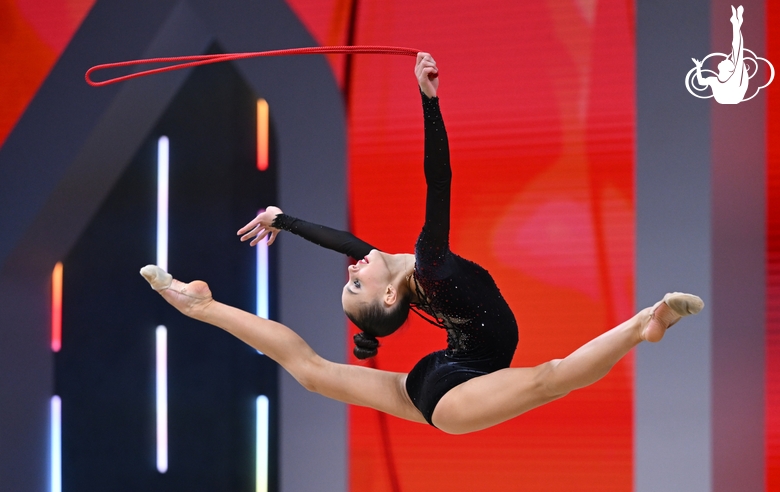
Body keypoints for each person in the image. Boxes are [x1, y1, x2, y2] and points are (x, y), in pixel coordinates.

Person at [141, 53, 703, 434]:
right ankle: (644, 323)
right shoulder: (428, 267)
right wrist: (428, 100)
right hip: (455, 388)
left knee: (312, 373)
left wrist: (282, 219)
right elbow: (439, 180)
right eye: (356, 282)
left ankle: (205, 308)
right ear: (389, 299)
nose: (353, 265)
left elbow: (344, 243)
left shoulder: (396, 272)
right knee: (547, 379)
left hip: (437, 376)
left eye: (350, 276)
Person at [692, 5, 748, 104]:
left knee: (737, 50)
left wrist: (698, 68)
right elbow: (701, 82)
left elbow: (737, 48)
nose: (725, 59)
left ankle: (736, 23)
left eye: (727, 61)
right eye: (728, 60)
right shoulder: (715, 80)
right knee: (737, 52)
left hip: (732, 96)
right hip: (729, 97)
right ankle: (736, 23)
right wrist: (698, 67)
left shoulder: (732, 77)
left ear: (729, 69)